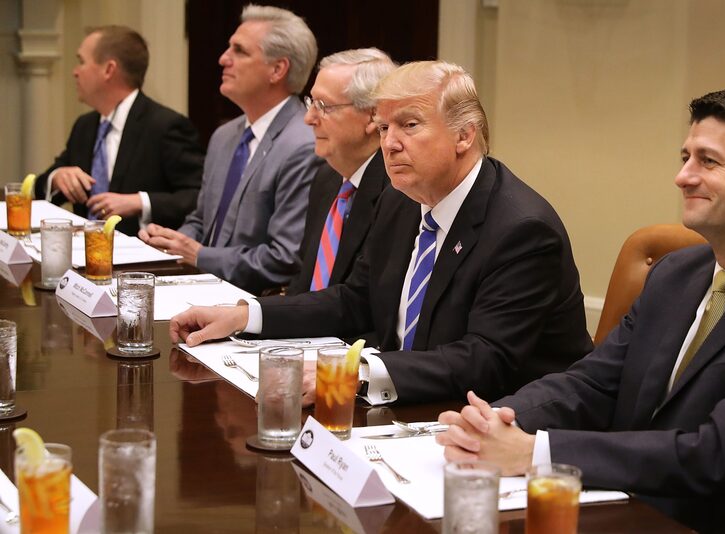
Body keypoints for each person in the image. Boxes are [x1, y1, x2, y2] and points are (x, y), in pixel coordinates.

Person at [437, 87, 725, 533]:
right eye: (685, 157)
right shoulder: (676, 273)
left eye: (708, 161)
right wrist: (497, 420)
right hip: (619, 506)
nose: (683, 176)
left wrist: (533, 453)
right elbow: (593, 382)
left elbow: (715, 455)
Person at [169, 60, 592, 406]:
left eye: (409, 125)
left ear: (465, 135)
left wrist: (354, 374)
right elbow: (356, 299)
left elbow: (486, 358)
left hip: (499, 419)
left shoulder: (522, 230)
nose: (389, 143)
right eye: (385, 127)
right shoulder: (401, 198)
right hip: (411, 404)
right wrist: (246, 315)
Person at [139, 5, 321, 294]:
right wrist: (169, 241)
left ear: (277, 69)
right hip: (199, 287)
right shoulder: (224, 136)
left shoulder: (304, 145)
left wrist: (198, 254)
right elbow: (201, 221)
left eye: (240, 51)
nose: (223, 59)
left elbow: (284, 259)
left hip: (254, 304)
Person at [35, 25, 204, 237]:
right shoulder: (84, 126)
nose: (75, 72)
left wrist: (140, 202)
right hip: (83, 256)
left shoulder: (165, 126)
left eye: (81, 62)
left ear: (108, 69)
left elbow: (199, 197)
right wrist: (57, 177)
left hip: (143, 257)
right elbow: (39, 188)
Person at [285, 48, 394, 296]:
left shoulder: (397, 191)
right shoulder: (326, 178)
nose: (309, 118)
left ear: (372, 117)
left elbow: (360, 300)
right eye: (311, 102)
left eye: (323, 106)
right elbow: (303, 281)